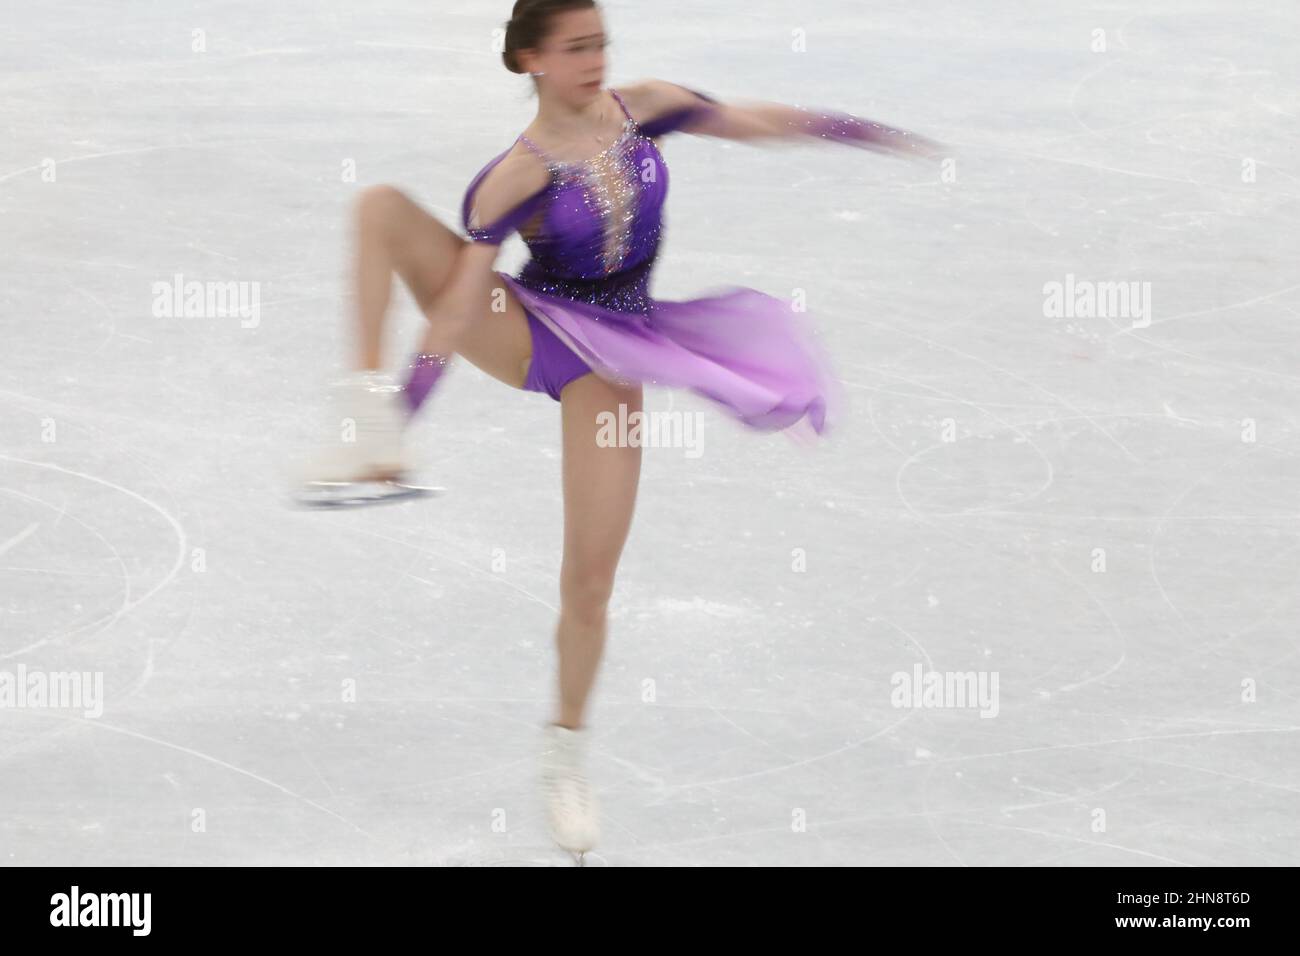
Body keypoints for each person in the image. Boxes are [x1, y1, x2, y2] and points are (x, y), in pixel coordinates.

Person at [299, 0, 936, 859]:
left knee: (590, 581)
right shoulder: (512, 178)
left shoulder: (647, 108)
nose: (594, 59)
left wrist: (856, 130)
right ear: (530, 60)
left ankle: (564, 755)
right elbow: (455, 307)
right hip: (524, 324)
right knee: (380, 207)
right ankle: (367, 420)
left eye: (600, 41)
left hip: (616, 356)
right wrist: (404, 417)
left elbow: (752, 121)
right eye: (574, 48)